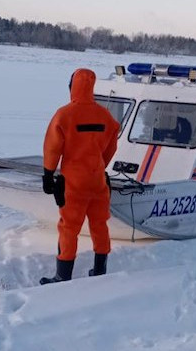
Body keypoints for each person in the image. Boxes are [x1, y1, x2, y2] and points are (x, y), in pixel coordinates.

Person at [39, 68, 119, 285]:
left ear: (72, 86)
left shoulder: (64, 114)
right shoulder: (105, 115)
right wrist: (100, 164)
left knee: (69, 227)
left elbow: (52, 147)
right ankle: (100, 270)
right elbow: (112, 145)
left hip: (73, 182)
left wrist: (48, 174)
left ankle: (62, 275)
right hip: (98, 180)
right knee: (99, 224)